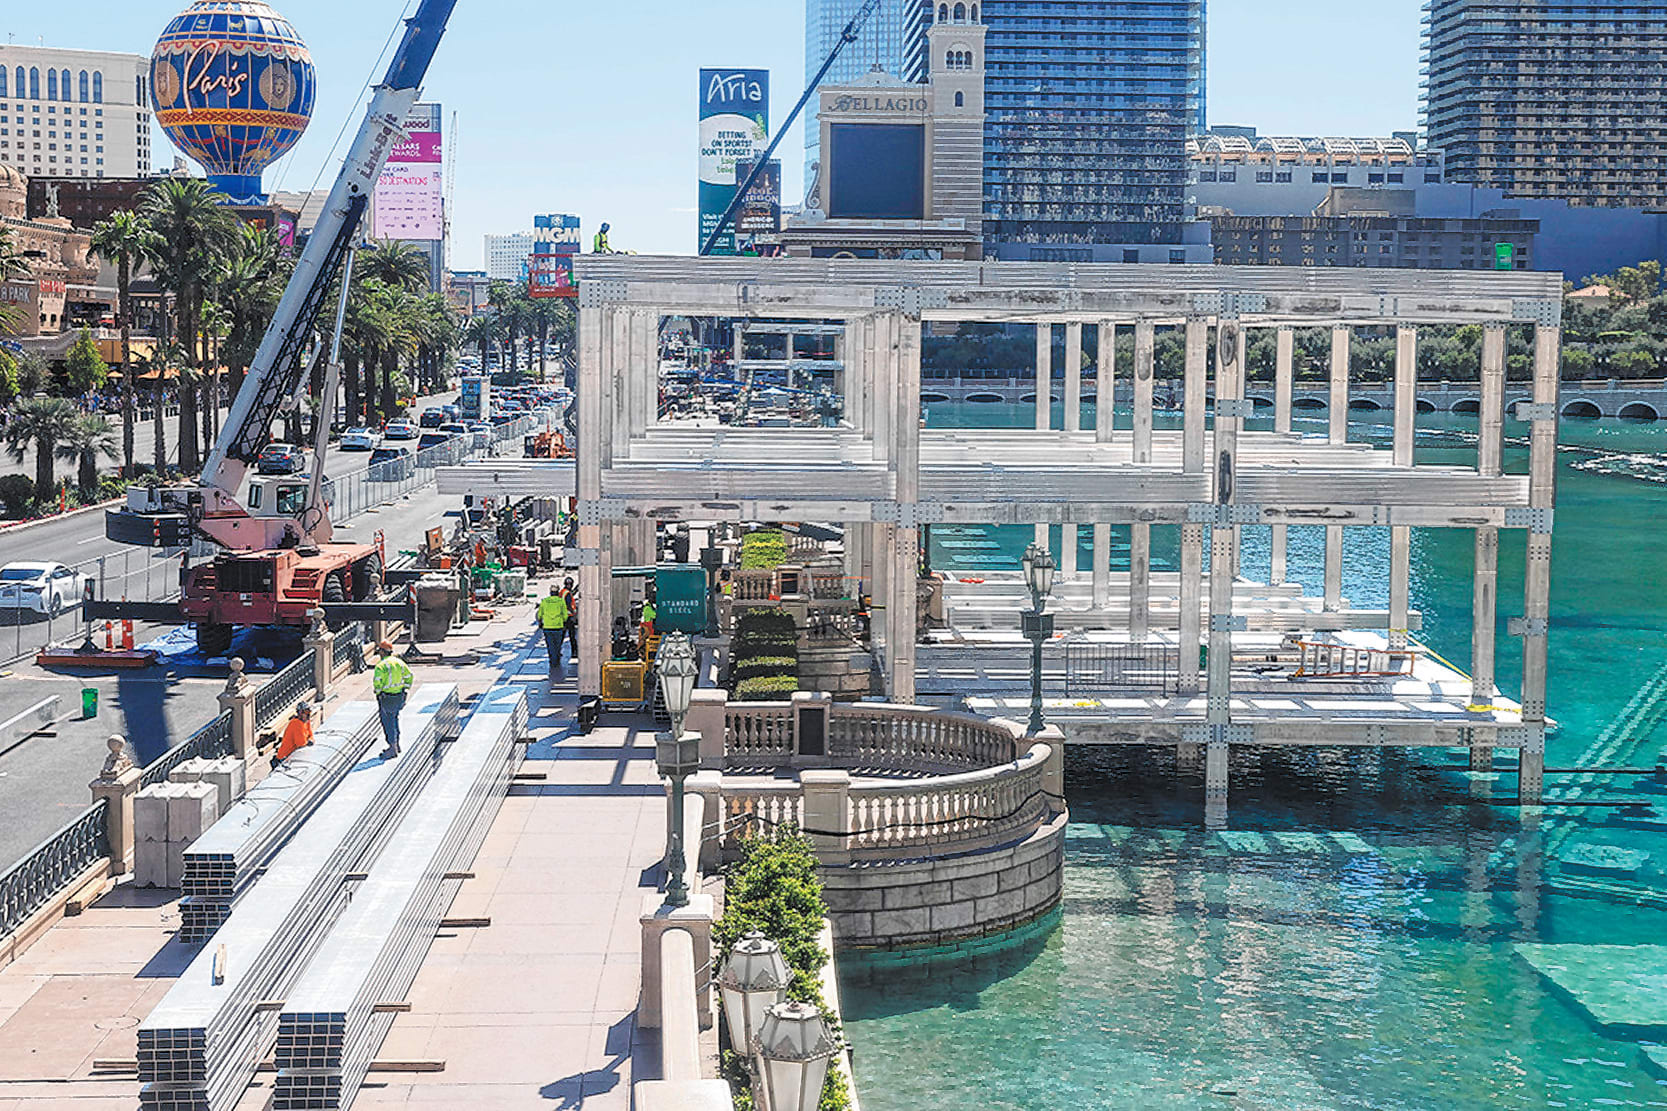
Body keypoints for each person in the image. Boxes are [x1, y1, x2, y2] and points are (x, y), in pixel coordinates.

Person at [372, 640, 414, 759]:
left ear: (382, 652)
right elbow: (409, 676)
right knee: (394, 719)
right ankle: (396, 744)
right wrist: (405, 689)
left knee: (388, 722)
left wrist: (378, 692)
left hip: (387, 697)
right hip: (399, 696)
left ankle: (392, 748)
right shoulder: (399, 663)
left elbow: (377, 682)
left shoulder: (381, 666)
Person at [536, 583, 570, 677]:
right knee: (558, 645)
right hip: (558, 626)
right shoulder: (561, 601)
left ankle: (552, 660)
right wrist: (563, 621)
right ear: (557, 592)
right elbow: (565, 615)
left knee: (550, 645)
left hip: (547, 627)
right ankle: (556, 659)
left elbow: (540, 614)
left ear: (550, 592)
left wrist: (540, 622)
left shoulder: (544, 601)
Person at [273, 701, 314, 767]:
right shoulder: (296, 724)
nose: (307, 714)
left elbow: (311, 735)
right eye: (305, 712)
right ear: (300, 713)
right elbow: (301, 743)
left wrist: (310, 739)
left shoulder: (306, 722)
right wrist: (308, 741)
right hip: (284, 758)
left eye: (308, 712)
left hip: (293, 755)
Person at [559, 577, 579, 661]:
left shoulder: (562, 592)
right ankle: (574, 652)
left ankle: (557, 651)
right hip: (569, 617)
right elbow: (568, 604)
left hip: (563, 617)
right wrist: (574, 612)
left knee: (562, 636)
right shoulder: (567, 593)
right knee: (572, 635)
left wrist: (576, 589)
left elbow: (571, 594)